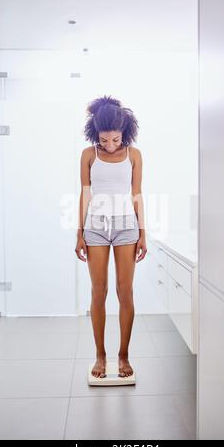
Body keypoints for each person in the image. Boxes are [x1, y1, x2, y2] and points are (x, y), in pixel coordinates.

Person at [75, 95, 147, 379]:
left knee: (125, 291)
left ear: (124, 131)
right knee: (98, 291)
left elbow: (137, 194)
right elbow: (85, 193)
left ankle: (123, 355)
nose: (110, 145)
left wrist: (143, 233)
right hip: (94, 226)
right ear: (96, 133)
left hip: (126, 227)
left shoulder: (134, 155)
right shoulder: (88, 154)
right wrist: (79, 232)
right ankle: (100, 355)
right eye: (104, 140)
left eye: (115, 139)